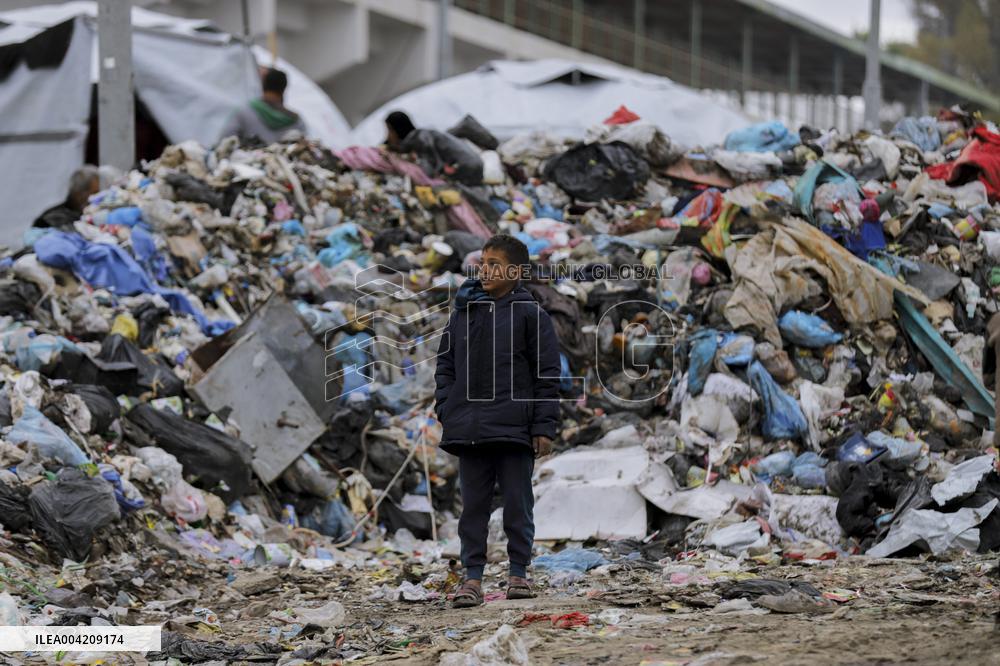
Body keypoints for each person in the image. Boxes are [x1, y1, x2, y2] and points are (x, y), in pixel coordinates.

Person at [433, 234, 561, 608]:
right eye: (482, 263)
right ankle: (472, 579)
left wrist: (543, 426)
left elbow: (547, 374)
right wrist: (446, 406)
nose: (485, 271)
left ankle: (518, 573)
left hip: (513, 427)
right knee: (473, 507)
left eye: (494, 264)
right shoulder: (464, 313)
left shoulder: (531, 315)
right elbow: (445, 365)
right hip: (470, 427)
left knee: (518, 504)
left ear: (516, 272)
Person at [383, 110, 483, 185]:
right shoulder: (422, 135)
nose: (388, 135)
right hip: (473, 163)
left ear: (397, 129)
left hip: (467, 166)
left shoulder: (420, 138)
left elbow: (430, 169)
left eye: (389, 130)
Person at [220, 67, 306, 144]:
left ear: (263, 85)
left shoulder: (244, 112)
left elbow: (225, 142)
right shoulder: (297, 121)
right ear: (284, 88)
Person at [33, 165, 100, 230]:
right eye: (95, 193)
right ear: (79, 193)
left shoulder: (96, 216)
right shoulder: (53, 219)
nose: (100, 196)